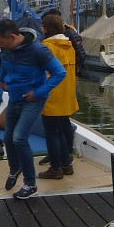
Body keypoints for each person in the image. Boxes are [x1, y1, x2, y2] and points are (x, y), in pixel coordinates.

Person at [0, 18, 67, 199]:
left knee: (19, 138)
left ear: (11, 37)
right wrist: (2, 79)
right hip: (14, 98)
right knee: (8, 138)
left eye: (0, 42)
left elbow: (59, 73)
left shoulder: (38, 50)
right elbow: (4, 62)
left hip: (33, 100)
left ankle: (30, 184)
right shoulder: (6, 49)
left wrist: (39, 92)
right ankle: (15, 168)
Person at [38, 13, 79, 181]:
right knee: (62, 130)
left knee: (52, 134)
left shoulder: (47, 46)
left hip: (52, 96)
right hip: (67, 95)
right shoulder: (69, 46)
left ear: (47, 28)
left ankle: (55, 168)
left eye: (43, 26)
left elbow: (43, 71)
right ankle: (66, 164)